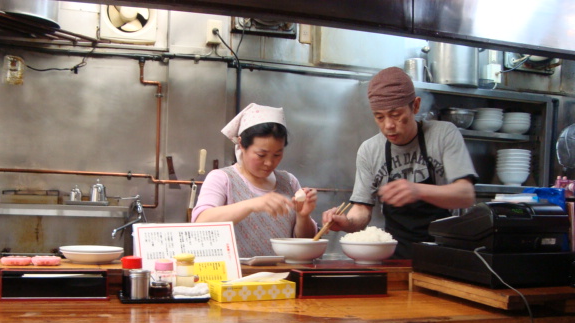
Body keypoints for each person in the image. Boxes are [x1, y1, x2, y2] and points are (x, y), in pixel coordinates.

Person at [323, 67, 477, 259]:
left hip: (444, 254)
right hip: (396, 258)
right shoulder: (369, 150)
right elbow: (362, 209)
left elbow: (465, 194)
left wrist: (418, 190)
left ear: (415, 106)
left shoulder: (443, 134)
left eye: (395, 115)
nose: (388, 125)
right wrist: (347, 223)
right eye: (379, 117)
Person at [192, 103, 318, 257]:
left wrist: (303, 216)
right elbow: (201, 223)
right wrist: (252, 204)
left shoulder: (289, 181)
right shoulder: (223, 178)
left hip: (283, 277)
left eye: (277, 155)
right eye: (261, 155)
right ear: (241, 144)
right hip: (235, 278)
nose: (269, 163)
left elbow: (306, 241)